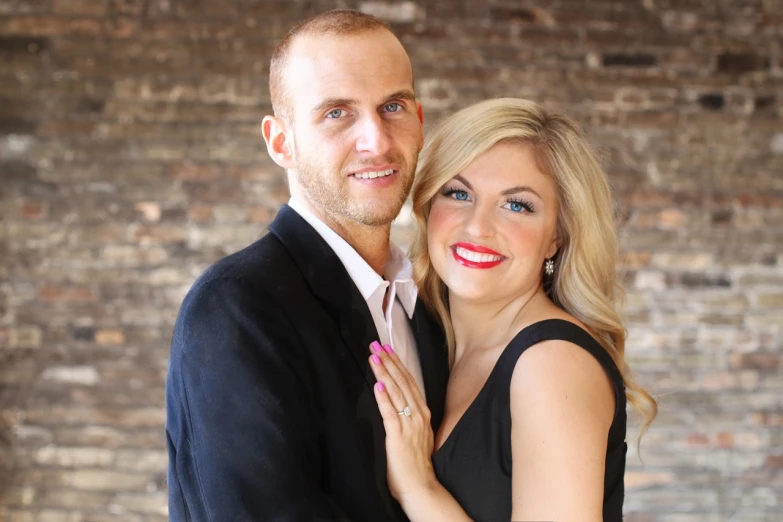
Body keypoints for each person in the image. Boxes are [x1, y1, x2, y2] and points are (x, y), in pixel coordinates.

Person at [165, 10, 449, 522]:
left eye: (393, 106)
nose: (378, 141)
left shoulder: (430, 305)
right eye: (337, 113)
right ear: (281, 142)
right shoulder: (236, 308)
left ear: (420, 120)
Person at [365, 98, 658, 522]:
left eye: (517, 205)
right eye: (459, 193)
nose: (477, 226)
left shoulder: (552, 363)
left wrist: (418, 487)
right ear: (429, 206)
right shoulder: (423, 335)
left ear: (556, 237)